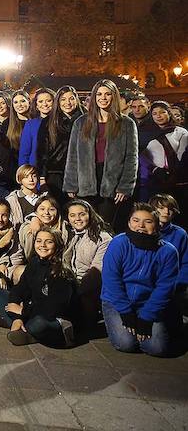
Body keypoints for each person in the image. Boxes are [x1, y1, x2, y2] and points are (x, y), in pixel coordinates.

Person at [101, 203, 179, 357]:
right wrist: (126, 312)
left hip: (147, 303)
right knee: (126, 344)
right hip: (117, 302)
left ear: (156, 225)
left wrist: (147, 317)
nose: (140, 226)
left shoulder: (168, 251)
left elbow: (165, 288)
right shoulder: (119, 243)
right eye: (136, 220)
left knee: (157, 348)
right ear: (129, 222)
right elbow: (111, 280)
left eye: (148, 222)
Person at [63, 79, 138, 227]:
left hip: (112, 183)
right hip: (85, 182)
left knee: (105, 227)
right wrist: (71, 184)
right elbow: (72, 156)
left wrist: (125, 187)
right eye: (99, 94)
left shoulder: (127, 123)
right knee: (85, 225)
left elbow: (132, 159)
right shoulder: (81, 122)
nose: (103, 98)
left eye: (107, 94)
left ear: (114, 96)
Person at [0, 229, 77, 346]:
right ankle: (18, 324)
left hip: (52, 318)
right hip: (31, 309)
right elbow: (19, 289)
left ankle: (26, 331)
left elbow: (52, 309)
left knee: (39, 323)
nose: (43, 245)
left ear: (57, 245)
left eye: (48, 242)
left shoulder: (62, 272)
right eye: (39, 241)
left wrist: (22, 311)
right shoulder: (34, 262)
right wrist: (17, 317)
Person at [62, 199, 112, 333]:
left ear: (90, 214)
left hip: (89, 288)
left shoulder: (103, 238)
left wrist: (72, 291)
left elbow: (97, 273)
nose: (77, 219)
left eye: (82, 214)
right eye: (72, 215)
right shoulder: (68, 233)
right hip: (69, 280)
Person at [36, 86, 84, 202]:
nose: (67, 103)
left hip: (81, 173)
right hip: (55, 174)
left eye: (71, 98)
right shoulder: (49, 121)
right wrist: (42, 176)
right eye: (63, 99)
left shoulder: (86, 120)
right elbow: (42, 150)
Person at [138, 101, 187, 203]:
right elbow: (140, 155)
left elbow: (182, 155)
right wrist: (154, 169)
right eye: (154, 113)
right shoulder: (144, 133)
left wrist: (172, 174)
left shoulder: (180, 131)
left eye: (162, 112)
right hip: (152, 179)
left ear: (169, 113)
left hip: (176, 179)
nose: (158, 116)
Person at [19, 88, 55, 167]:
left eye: (48, 101)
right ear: (36, 105)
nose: (45, 104)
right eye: (40, 101)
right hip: (35, 170)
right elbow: (24, 153)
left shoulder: (60, 123)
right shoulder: (30, 125)